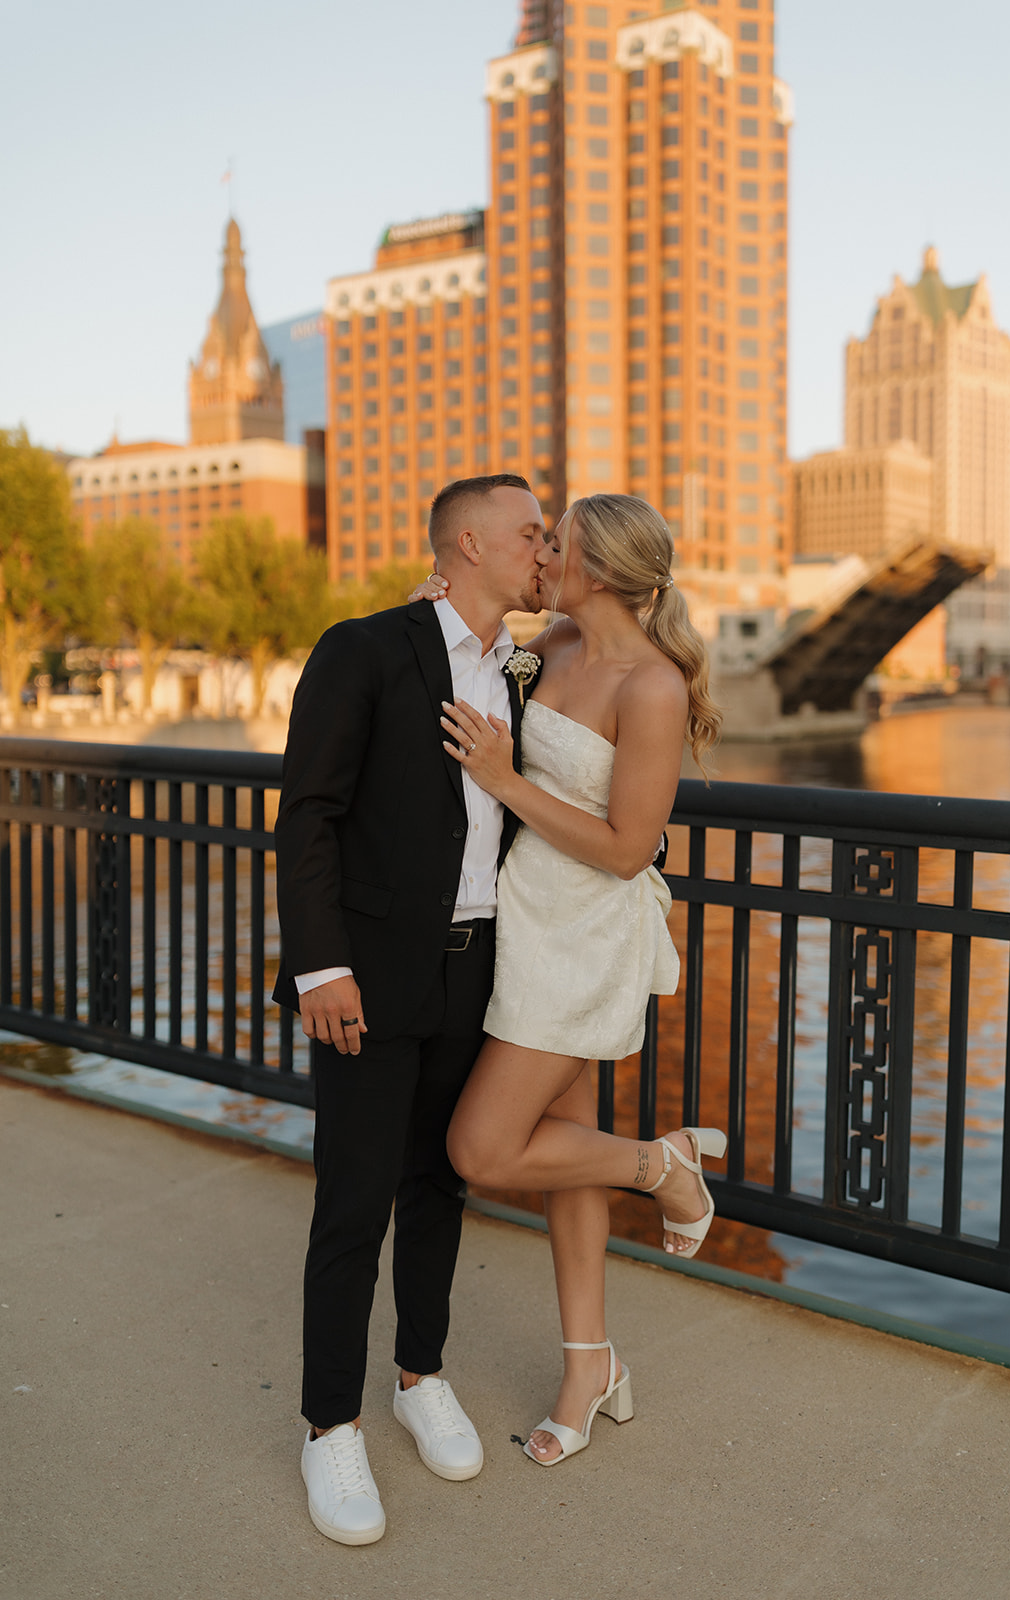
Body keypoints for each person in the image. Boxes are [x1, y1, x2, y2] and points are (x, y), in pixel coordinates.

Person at [420, 492, 725, 1466]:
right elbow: (468, 682)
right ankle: (586, 1364)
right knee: (562, 1153)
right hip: (523, 917)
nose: (544, 553)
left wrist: (509, 783)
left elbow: (629, 848)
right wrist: (438, 611)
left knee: (479, 1146)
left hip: (586, 937)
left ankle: (660, 1166)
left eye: (561, 543)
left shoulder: (651, 687)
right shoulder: (545, 642)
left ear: (604, 567)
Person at [272, 473, 550, 1544]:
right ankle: (327, 1424)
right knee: (352, 1202)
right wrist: (320, 968)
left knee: (440, 1184)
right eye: (529, 533)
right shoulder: (363, 648)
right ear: (467, 543)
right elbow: (308, 814)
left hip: (478, 974)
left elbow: (559, 655)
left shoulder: (519, 665)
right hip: (369, 976)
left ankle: (418, 1374)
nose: (543, 547)